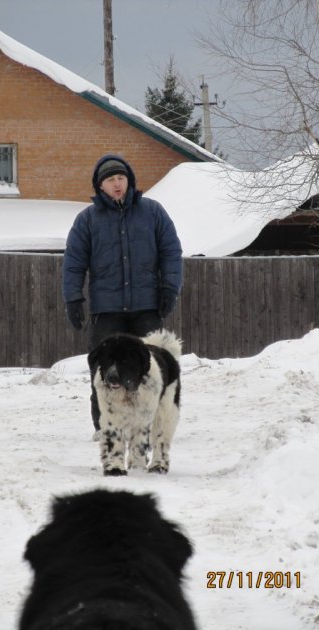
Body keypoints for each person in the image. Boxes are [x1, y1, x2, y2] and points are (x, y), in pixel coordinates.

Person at [62, 153, 183, 435]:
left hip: (146, 307)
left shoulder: (152, 212)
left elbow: (171, 252)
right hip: (107, 311)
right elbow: (74, 261)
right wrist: (72, 297)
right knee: (103, 373)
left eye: (121, 178)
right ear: (100, 186)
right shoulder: (87, 220)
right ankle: (105, 427)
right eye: (110, 180)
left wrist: (170, 287)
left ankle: (150, 425)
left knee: (150, 371)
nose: (117, 184)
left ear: (129, 181)